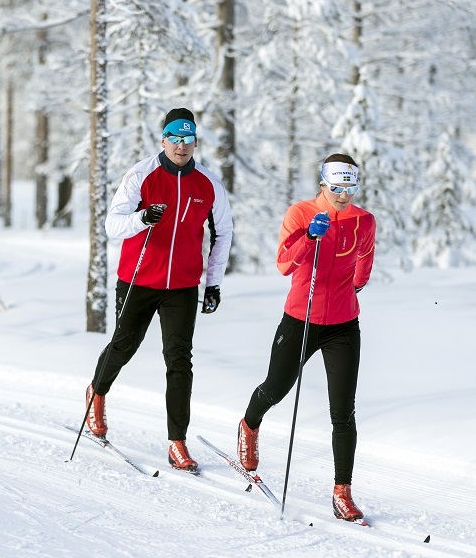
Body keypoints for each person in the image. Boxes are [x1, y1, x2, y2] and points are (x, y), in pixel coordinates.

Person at [83, 108, 234, 473]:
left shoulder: (209, 184)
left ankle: (176, 441)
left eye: (188, 139)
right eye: (175, 139)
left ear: (196, 142)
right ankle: (96, 394)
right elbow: (112, 225)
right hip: (138, 279)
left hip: (182, 285)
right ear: (163, 139)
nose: (182, 146)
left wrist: (212, 282)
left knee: (179, 360)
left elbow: (223, 233)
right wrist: (141, 218)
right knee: (125, 344)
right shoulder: (140, 175)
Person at [236, 154, 375, 523]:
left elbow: (364, 265)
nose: (343, 195)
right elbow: (283, 264)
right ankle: (249, 425)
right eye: (336, 188)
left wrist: (352, 288)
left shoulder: (364, 221)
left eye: (350, 188)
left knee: (343, 411)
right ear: (323, 184)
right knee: (276, 388)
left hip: (344, 324)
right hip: (301, 317)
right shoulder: (299, 214)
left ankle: (342, 491)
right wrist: (309, 238)